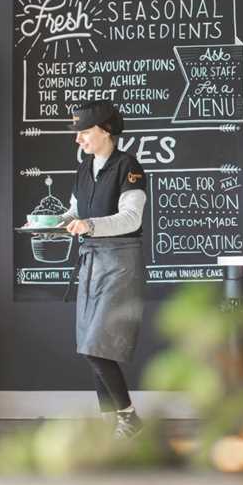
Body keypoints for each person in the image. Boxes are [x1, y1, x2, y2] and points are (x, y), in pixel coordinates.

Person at [59, 101, 147, 439]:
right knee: (91, 344)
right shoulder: (84, 168)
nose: (78, 139)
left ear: (106, 131)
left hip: (120, 264)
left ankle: (128, 418)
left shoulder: (129, 167)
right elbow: (73, 211)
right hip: (92, 262)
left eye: (84, 132)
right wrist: (53, 223)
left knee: (95, 345)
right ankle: (113, 424)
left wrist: (89, 225)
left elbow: (131, 218)